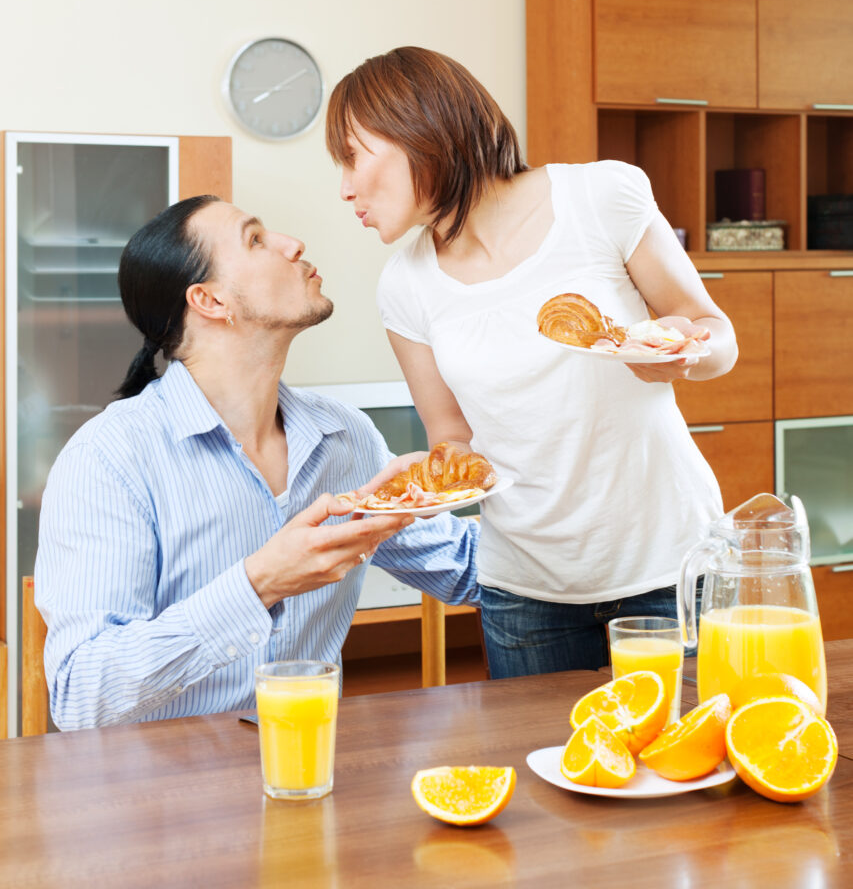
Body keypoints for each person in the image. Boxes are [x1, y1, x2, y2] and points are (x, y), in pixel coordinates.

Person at [325, 46, 738, 679]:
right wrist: (431, 476)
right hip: (525, 592)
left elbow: (717, 335)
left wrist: (683, 354)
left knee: (687, 767)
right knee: (548, 771)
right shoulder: (403, 286)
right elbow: (453, 436)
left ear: (420, 130)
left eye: (354, 157)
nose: (347, 187)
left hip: (672, 565)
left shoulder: (600, 196)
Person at [35, 194, 479, 729]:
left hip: (310, 776)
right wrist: (260, 582)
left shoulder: (345, 439)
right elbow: (83, 696)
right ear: (210, 300)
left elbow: (467, 569)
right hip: (160, 801)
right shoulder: (109, 458)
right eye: (256, 239)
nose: (293, 245)